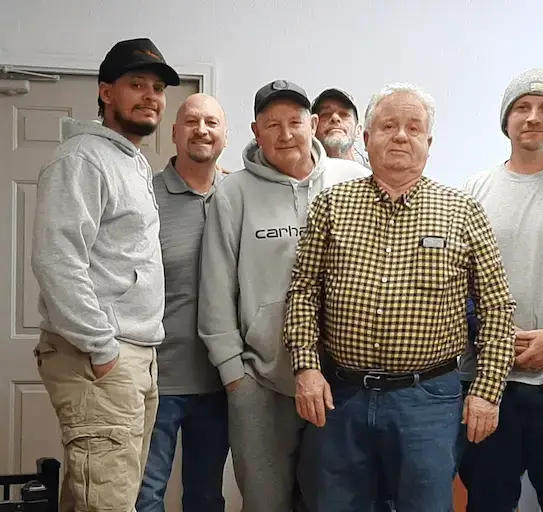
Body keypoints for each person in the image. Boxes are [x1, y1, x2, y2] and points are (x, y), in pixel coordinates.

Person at [283, 82, 516, 512]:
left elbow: (497, 308)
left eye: (414, 127)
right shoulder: (331, 205)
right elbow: (303, 292)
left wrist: (487, 389)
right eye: (388, 125)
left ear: (429, 142)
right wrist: (306, 368)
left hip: (428, 401)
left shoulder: (462, 211)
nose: (401, 135)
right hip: (341, 396)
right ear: (366, 138)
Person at [198, 79, 369, 512]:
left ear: (312, 124)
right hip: (261, 379)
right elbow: (217, 286)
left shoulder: (352, 180)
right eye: (272, 124)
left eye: (295, 122)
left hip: (342, 380)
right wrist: (234, 375)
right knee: (265, 502)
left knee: (333, 501)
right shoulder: (232, 192)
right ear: (256, 132)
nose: (285, 134)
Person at [30, 37, 179, 511]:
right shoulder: (82, 159)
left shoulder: (128, 160)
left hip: (133, 355)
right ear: (105, 92)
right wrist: (102, 348)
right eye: (136, 84)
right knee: (109, 502)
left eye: (157, 87)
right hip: (103, 358)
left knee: (97, 496)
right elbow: (57, 260)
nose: (150, 96)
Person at [458, 69, 543, 512]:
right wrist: (496, 339)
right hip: (487, 383)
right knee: (488, 498)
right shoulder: (474, 191)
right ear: (506, 120)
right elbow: (461, 280)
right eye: (522, 107)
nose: (533, 117)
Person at [136, 94, 230, 512]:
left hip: (222, 382)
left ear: (225, 135)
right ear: (174, 132)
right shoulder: (145, 195)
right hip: (158, 379)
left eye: (212, 122)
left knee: (206, 496)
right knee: (145, 494)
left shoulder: (238, 195)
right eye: (191, 121)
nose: (202, 130)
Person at [312, 87, 369, 167]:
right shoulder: (302, 176)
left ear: (358, 130)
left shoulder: (377, 175)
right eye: (325, 114)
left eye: (344, 114)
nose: (335, 118)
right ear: (312, 128)